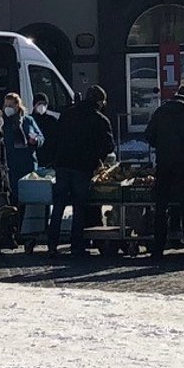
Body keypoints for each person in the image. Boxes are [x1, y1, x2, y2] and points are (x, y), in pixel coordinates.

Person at [46, 85, 117, 258]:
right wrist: (95, 157)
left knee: (59, 206)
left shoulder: (67, 114)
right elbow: (109, 146)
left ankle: (52, 244)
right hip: (83, 168)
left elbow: (54, 138)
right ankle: (76, 245)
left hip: (62, 165)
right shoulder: (100, 119)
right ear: (100, 101)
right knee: (79, 207)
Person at [145, 82, 184, 258]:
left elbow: (149, 135)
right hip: (183, 165)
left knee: (161, 207)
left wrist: (161, 145)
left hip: (164, 164)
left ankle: (158, 248)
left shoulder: (160, 111)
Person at [0, 91, 45, 192]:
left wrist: (36, 141)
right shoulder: (2, 122)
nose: (8, 108)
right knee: (13, 192)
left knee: (29, 192)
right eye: (6, 105)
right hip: (10, 163)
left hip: (27, 162)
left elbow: (41, 137)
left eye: (11, 105)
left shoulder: (28, 120)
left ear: (17, 105)